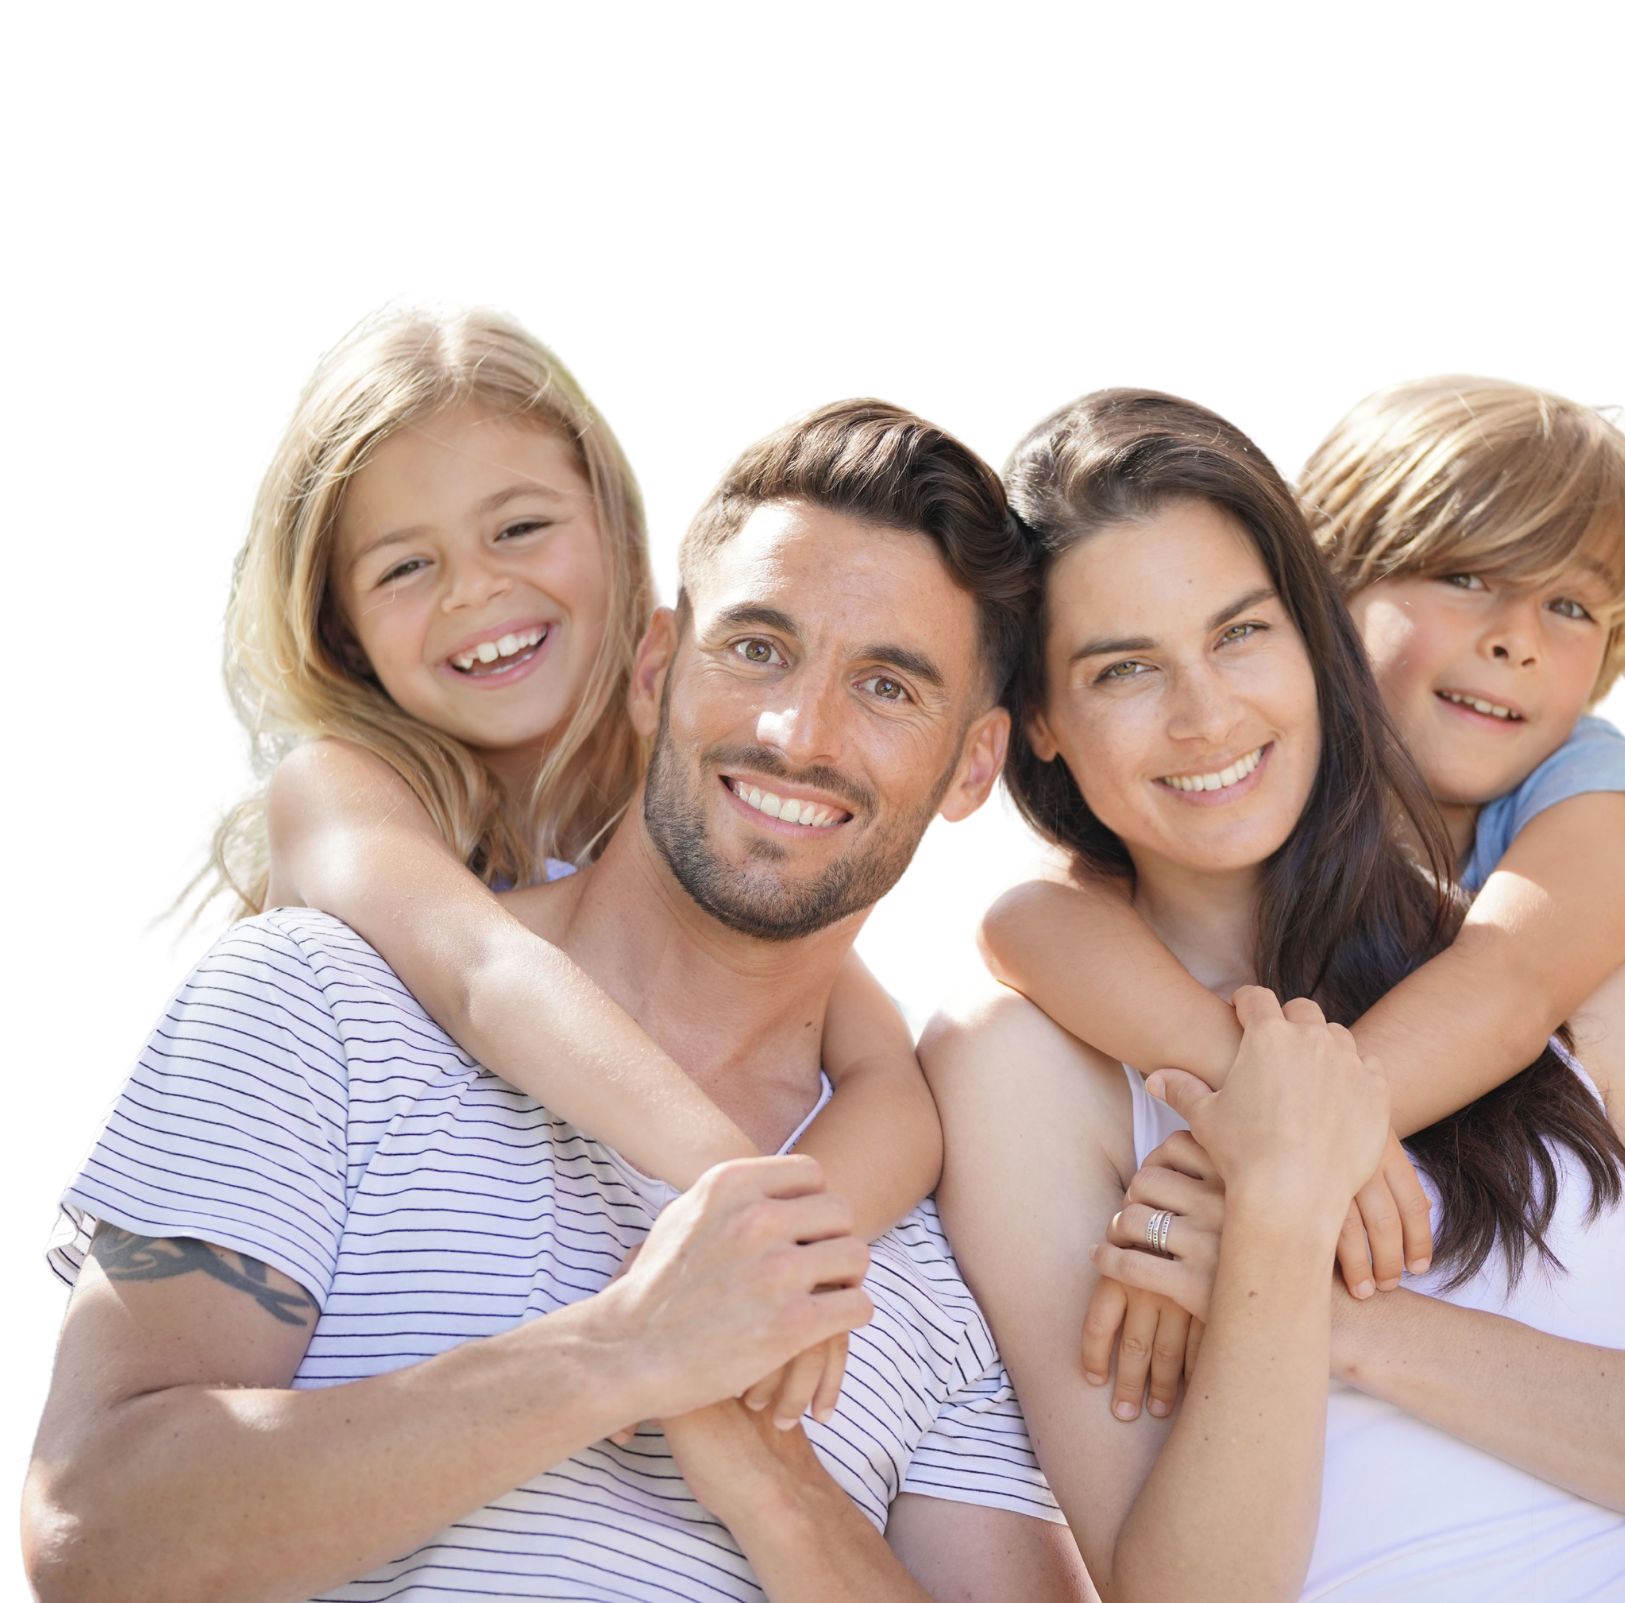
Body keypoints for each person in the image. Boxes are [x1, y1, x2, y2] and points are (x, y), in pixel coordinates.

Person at [24, 399, 1091, 1601]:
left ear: (975, 767)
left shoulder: (965, 1180)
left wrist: (773, 1481)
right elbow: (93, 1537)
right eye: (756, 648)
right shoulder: (319, 995)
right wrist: (615, 1355)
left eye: (889, 687)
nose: (799, 732)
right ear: (653, 668)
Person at [921, 387, 1625, 1598]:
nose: (1208, 714)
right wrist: (1279, 1199)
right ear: (1039, 722)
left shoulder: (1572, 964)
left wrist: (1323, 1293)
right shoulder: (1018, 1056)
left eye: (1241, 633)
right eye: (1124, 670)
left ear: (1310, 636)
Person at [139, 290, 941, 1422]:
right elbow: (484, 976)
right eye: (402, 568)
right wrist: (728, 1192)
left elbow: (891, 1083)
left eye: (519, 528)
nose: (476, 590)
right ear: (340, 630)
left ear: (617, 531)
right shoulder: (343, 792)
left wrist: (787, 1262)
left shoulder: (688, 769)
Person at [974, 373, 1625, 1343]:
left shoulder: (1599, 788)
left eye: (1571, 605)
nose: (1515, 640)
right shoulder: (1268, 779)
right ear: (1332, 582)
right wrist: (1267, 1115)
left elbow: (1511, 980)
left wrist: (1281, 1148)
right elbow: (1029, 917)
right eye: (1468, 577)